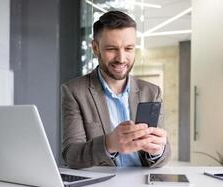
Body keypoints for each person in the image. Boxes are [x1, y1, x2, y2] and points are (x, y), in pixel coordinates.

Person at [61, 11, 171, 169]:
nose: (121, 58)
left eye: (128, 48)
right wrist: (108, 144)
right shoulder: (74, 91)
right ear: (95, 48)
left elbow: (165, 154)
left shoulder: (152, 92)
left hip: (143, 184)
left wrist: (158, 150)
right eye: (112, 49)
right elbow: (71, 155)